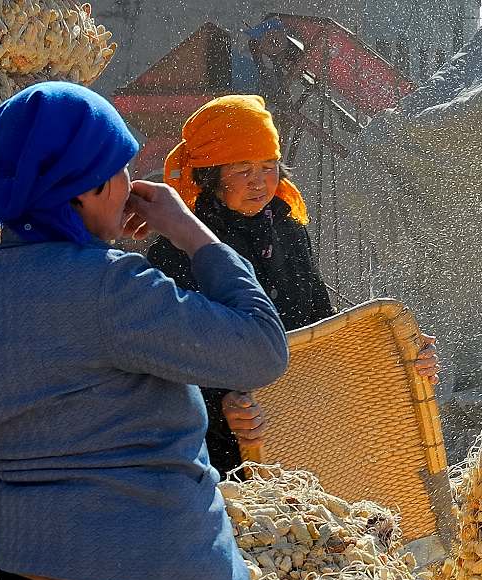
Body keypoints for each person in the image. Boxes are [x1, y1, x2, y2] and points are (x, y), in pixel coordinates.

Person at [0, 82, 289, 580]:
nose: (132, 187)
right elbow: (261, 349)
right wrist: (189, 231)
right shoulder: (113, 289)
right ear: (88, 187)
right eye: (121, 171)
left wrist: (41, 545)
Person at [149, 94, 439, 477]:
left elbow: (320, 322)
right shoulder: (177, 253)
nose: (260, 183)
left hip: (307, 428)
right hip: (218, 453)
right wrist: (222, 406)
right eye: (243, 170)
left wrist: (397, 356)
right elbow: (170, 367)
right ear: (210, 174)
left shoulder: (286, 226)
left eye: (269, 167)